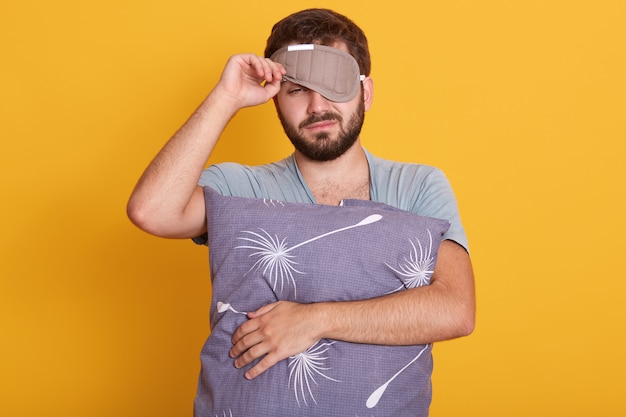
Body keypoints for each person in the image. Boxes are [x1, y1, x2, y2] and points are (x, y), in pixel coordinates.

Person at [128, 8, 475, 416]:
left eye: (334, 86)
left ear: (365, 92)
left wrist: (313, 320)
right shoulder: (241, 188)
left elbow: (456, 309)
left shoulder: (417, 186)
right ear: (274, 97)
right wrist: (227, 98)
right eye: (296, 90)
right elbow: (151, 211)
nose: (317, 105)